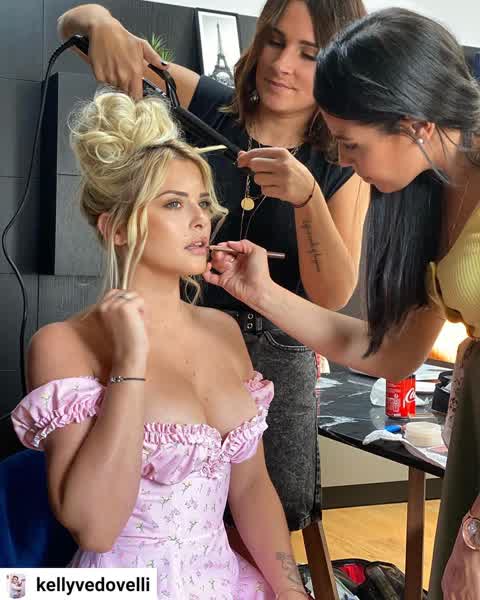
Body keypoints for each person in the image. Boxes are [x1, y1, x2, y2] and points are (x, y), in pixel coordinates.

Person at [57, 0, 370, 536]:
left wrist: (308, 199)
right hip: (177, 338)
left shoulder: (342, 162)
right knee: (158, 505)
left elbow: (332, 296)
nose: (281, 64)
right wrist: (101, 23)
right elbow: (75, 23)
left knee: (272, 512)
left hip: (278, 357)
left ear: (338, 67)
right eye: (274, 41)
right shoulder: (201, 104)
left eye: (309, 54)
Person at [202, 8, 480, 600]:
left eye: (352, 145)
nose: (344, 161)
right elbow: (382, 350)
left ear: (414, 124)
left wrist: (476, 532)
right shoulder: (425, 198)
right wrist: (262, 293)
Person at [11, 90, 309, 600]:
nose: (200, 219)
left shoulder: (224, 330)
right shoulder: (63, 345)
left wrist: (291, 591)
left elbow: (251, 486)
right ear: (117, 228)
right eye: (174, 203)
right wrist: (130, 363)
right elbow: (95, 529)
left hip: (227, 583)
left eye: (202, 202)